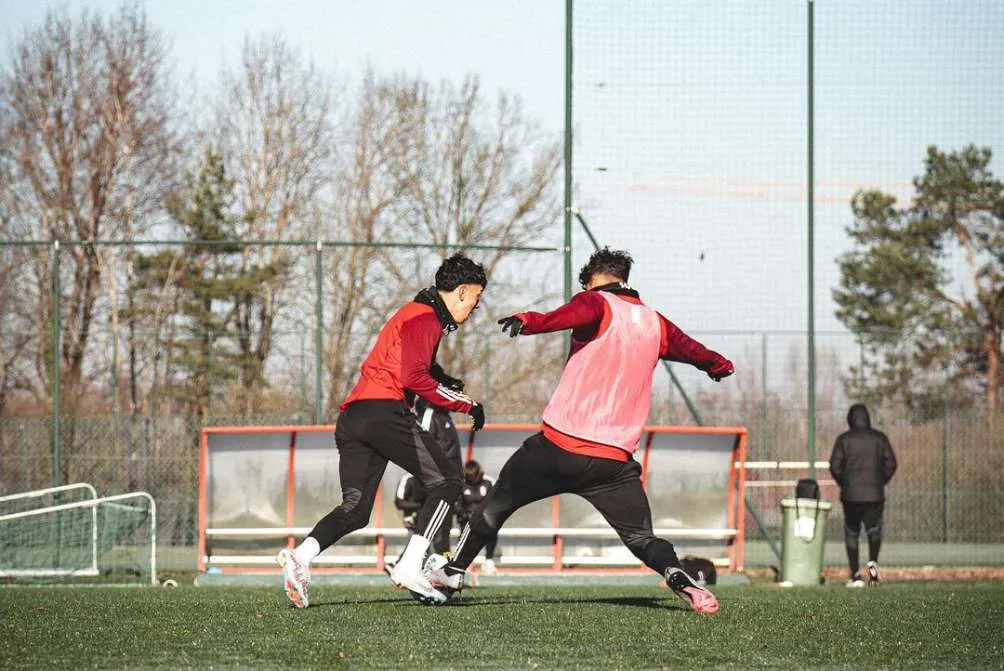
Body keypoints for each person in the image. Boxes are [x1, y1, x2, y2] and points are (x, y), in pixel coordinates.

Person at [423, 247, 734, 613]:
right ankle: (678, 575)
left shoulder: (597, 302)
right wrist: (718, 364)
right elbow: (692, 349)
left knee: (493, 507)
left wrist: (530, 320)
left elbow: (573, 312)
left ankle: (453, 572)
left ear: (593, 279)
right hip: (613, 463)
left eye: (586, 284)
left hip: (557, 449)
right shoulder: (655, 323)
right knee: (641, 537)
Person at [277, 253, 488, 607]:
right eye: (477, 300)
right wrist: (468, 404)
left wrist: (445, 380)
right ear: (462, 292)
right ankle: (409, 565)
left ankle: (301, 556)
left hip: (354, 417)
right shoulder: (426, 317)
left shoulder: (413, 312)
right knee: (449, 481)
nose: (476, 309)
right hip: (383, 412)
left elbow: (411, 366)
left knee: (357, 509)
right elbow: (413, 377)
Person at [829, 403, 897, 587]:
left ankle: (855, 575)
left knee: (852, 532)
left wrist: (845, 482)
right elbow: (891, 463)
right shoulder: (880, 438)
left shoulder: (844, 440)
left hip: (851, 495)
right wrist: (879, 481)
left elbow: (834, 466)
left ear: (850, 419)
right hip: (875, 495)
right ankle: (873, 567)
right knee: (874, 530)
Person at [393, 396, 464, 556]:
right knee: (433, 528)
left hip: (449, 483)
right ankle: (407, 566)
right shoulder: (429, 415)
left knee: (443, 529)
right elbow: (421, 447)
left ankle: (439, 570)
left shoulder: (445, 416)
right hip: (437, 483)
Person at [455, 460, 499, 574]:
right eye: (469, 475)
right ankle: (464, 562)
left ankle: (489, 561)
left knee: (492, 533)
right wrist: (463, 514)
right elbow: (457, 504)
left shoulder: (488, 482)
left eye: (474, 475)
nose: (472, 478)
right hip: (467, 519)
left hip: (485, 517)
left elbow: (495, 501)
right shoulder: (462, 484)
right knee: (465, 537)